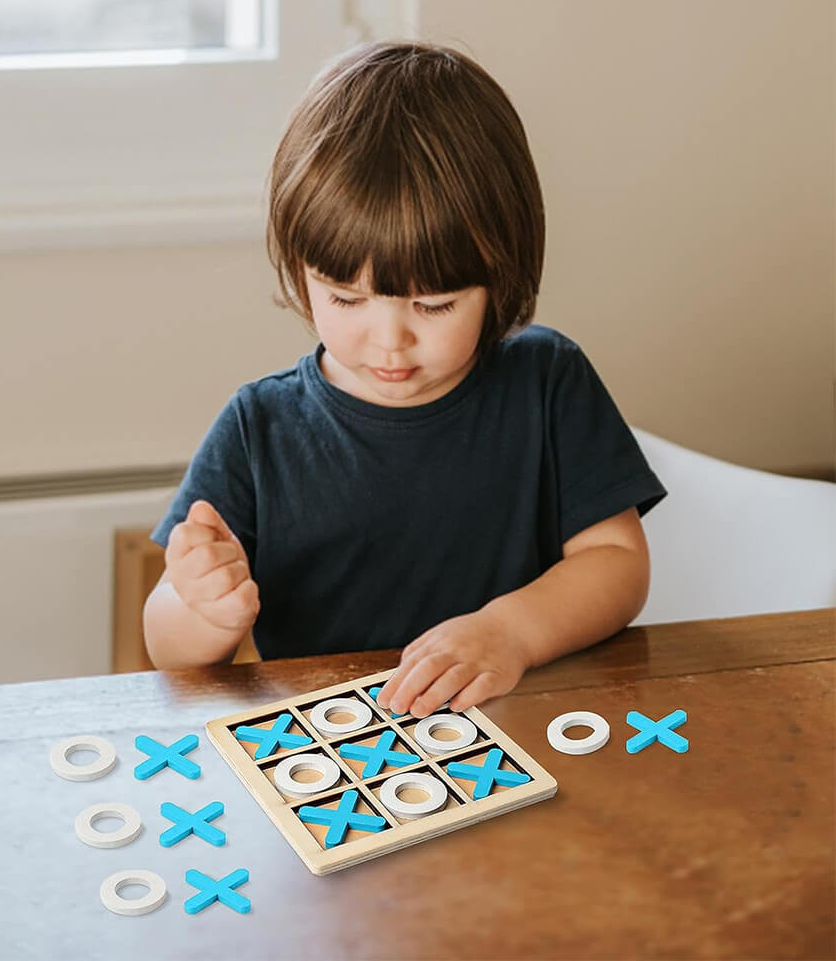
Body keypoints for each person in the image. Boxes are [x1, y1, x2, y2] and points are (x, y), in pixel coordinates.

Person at [143, 40, 667, 717]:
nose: (389, 339)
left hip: (523, 730)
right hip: (333, 760)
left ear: (502, 274)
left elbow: (618, 563)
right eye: (345, 298)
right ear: (300, 271)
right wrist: (202, 609)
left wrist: (509, 631)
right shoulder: (258, 427)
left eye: (434, 305)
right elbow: (170, 651)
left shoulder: (548, 383)